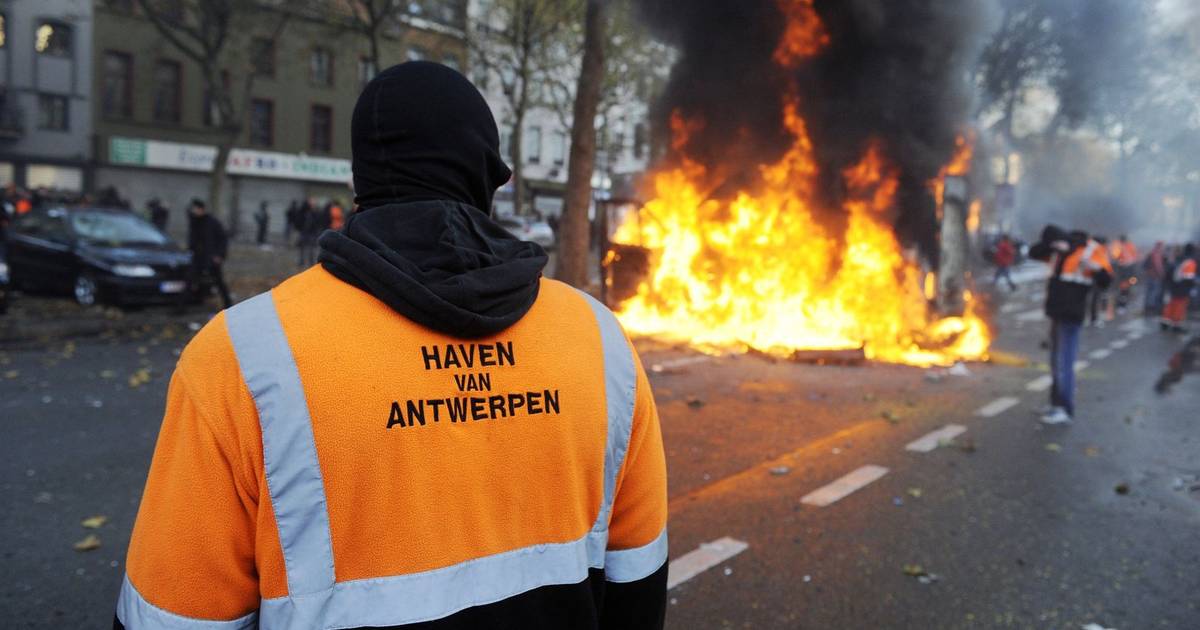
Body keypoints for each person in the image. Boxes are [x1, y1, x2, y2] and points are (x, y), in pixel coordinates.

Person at [115, 62, 668, 630]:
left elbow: (173, 617)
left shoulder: (242, 355)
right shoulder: (600, 340)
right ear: (493, 176)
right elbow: (639, 582)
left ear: (360, 180)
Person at [1029, 226, 1113, 425]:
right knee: (1055, 362)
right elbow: (1034, 253)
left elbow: (1106, 280)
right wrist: (1053, 246)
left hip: (1072, 314)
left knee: (1064, 363)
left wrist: (1093, 267)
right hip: (1057, 313)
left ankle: (1065, 409)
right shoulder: (1059, 251)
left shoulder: (1090, 250)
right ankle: (1055, 403)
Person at [186, 198, 232, 309]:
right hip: (198, 257)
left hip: (211, 258)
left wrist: (220, 255)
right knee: (190, 280)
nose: (193, 211)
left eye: (195, 209)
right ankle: (181, 306)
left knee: (218, 281)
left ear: (201, 209)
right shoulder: (194, 221)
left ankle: (228, 303)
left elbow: (223, 239)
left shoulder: (212, 222)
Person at [1161, 243, 1196, 333]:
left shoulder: (1179, 259)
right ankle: (1176, 325)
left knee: (1171, 304)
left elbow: (1169, 273)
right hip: (1182, 288)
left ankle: (1165, 322)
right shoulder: (1190, 262)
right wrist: (1193, 287)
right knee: (1180, 306)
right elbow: (1188, 278)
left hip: (1173, 286)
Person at [1142, 241, 1166, 316]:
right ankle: (1151, 307)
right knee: (1154, 292)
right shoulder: (1157, 254)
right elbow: (1159, 266)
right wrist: (1162, 274)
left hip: (1149, 276)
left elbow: (1144, 265)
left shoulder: (1151, 254)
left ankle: (1147, 307)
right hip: (1155, 276)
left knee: (1149, 292)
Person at [297, 198, 322, 267]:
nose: (313, 204)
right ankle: (301, 261)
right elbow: (299, 219)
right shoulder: (304, 210)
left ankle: (311, 262)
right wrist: (300, 228)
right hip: (304, 231)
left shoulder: (316, 211)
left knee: (311, 248)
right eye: (312, 202)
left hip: (312, 232)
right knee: (302, 247)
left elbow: (318, 220)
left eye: (314, 202)